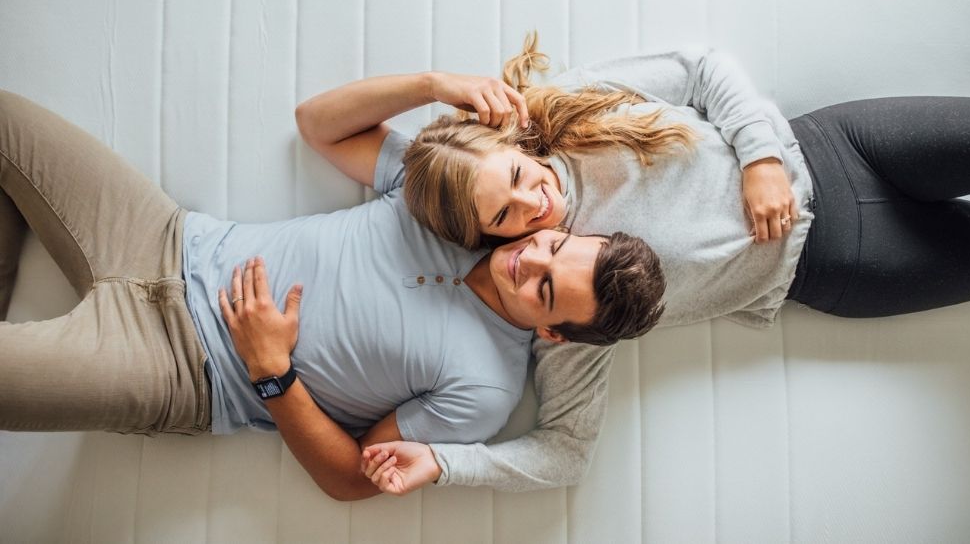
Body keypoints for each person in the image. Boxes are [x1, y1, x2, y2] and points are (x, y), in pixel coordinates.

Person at [353, 35, 970, 494]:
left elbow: (701, 65)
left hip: (830, 146)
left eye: (519, 177)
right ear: (484, 235)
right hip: (837, 263)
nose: (531, 207)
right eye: (504, 218)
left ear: (507, 146)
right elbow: (565, 453)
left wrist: (761, 159)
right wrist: (445, 462)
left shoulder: (573, 111)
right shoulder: (570, 310)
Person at [0, 88, 667, 501]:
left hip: (180, 369)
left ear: (553, 333)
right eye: (551, 244)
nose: (527, 259)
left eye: (545, 289)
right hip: (167, 236)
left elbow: (351, 479)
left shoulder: (485, 390)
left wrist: (273, 372)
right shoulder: (460, 209)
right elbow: (318, 123)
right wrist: (436, 84)